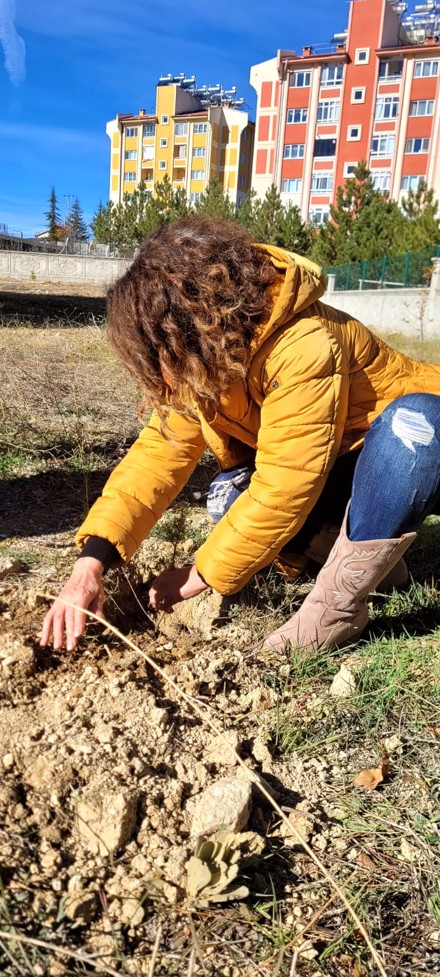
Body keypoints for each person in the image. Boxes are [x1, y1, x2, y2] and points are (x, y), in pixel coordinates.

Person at [40, 217, 440, 654]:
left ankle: (337, 608)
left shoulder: (304, 343)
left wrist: (198, 575)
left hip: (409, 456)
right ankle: (386, 569)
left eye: (162, 347)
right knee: (228, 493)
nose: (162, 367)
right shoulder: (208, 364)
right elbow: (156, 456)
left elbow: (287, 484)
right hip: (337, 468)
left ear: (193, 322)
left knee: (416, 420)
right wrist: (91, 563)